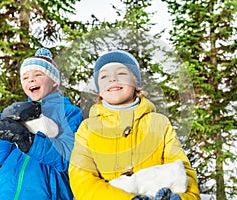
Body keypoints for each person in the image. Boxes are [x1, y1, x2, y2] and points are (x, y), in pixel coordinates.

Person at [69, 50, 200, 200]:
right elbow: (81, 179)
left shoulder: (159, 124)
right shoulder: (87, 129)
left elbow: (183, 170)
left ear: (135, 81)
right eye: (104, 76)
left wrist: (183, 197)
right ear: (99, 89)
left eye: (122, 73)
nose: (112, 79)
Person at [0, 47, 83, 200]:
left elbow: (68, 158)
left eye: (38, 74)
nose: (31, 79)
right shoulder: (14, 112)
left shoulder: (69, 113)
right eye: (25, 77)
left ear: (54, 81)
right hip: (3, 193)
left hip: (46, 193)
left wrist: (29, 141)